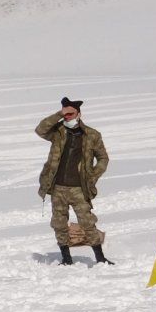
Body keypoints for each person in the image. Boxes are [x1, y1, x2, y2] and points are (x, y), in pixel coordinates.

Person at [37, 97, 112, 265]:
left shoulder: (92, 135)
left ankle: (100, 258)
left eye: (71, 113)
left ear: (79, 113)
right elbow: (40, 129)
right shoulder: (58, 132)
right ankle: (66, 258)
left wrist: (93, 175)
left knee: (87, 222)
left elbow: (103, 158)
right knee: (59, 223)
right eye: (65, 113)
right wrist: (58, 115)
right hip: (58, 187)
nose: (68, 117)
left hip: (79, 188)